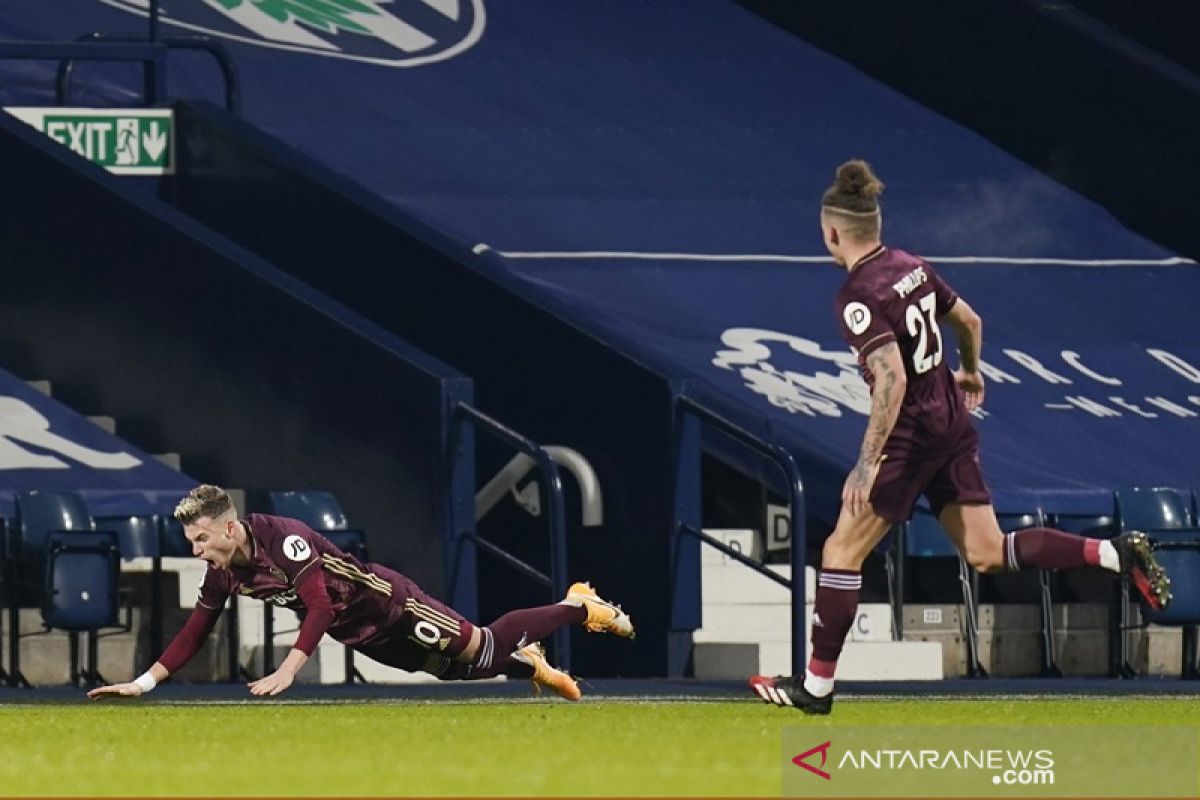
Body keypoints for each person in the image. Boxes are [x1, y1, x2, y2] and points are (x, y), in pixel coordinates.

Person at [749, 160, 1171, 714]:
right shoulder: (911, 266)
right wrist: (970, 371)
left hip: (909, 433)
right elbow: (969, 321)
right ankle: (1114, 554)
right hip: (949, 419)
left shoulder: (857, 296)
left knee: (840, 550)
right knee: (987, 551)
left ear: (832, 233)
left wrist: (866, 463)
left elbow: (892, 378)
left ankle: (816, 688)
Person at [88, 484, 633, 701]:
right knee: (457, 671)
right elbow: (195, 630)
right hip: (360, 631)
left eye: (201, 538)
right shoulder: (226, 569)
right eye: (191, 541)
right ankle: (532, 664)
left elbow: (322, 603)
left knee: (484, 646)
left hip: (389, 604)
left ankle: (578, 605)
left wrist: (288, 669)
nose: (196, 550)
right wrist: (143, 683)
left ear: (229, 528)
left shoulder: (286, 541)